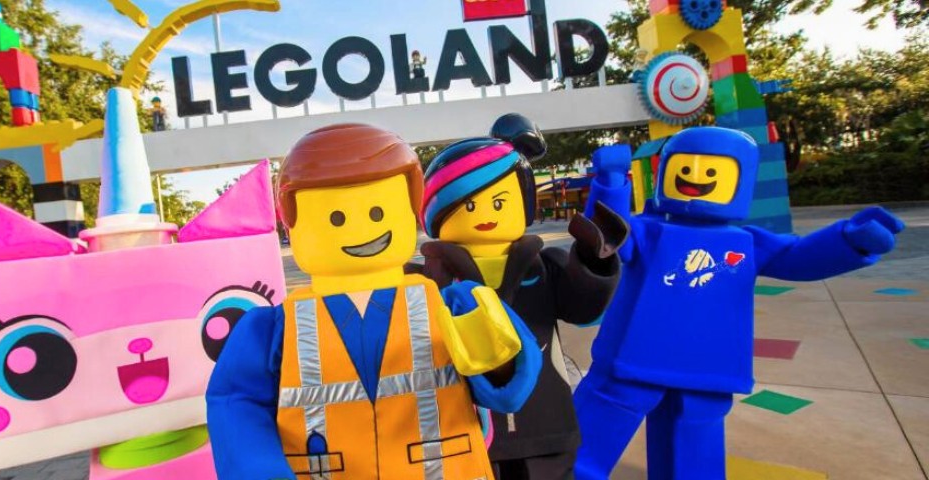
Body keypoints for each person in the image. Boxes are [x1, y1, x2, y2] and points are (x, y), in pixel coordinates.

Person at [206, 123, 542, 479]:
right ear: (291, 226)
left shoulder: (456, 304)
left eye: (378, 213)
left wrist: (497, 361)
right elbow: (237, 408)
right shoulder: (269, 331)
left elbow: (509, 393)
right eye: (336, 218)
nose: (361, 229)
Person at [574, 127, 905, 480]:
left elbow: (799, 257)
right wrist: (610, 182)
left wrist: (850, 241)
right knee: (591, 437)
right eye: (685, 167)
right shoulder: (649, 231)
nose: (696, 177)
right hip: (634, 359)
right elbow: (609, 234)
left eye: (712, 170)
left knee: (693, 450)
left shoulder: (748, 242)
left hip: (706, 368)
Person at [414, 114, 628, 480]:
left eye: (500, 202)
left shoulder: (544, 265)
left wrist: (593, 261)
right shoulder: (428, 280)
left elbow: (584, 310)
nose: (486, 215)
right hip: (466, 430)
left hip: (546, 423)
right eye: (469, 206)